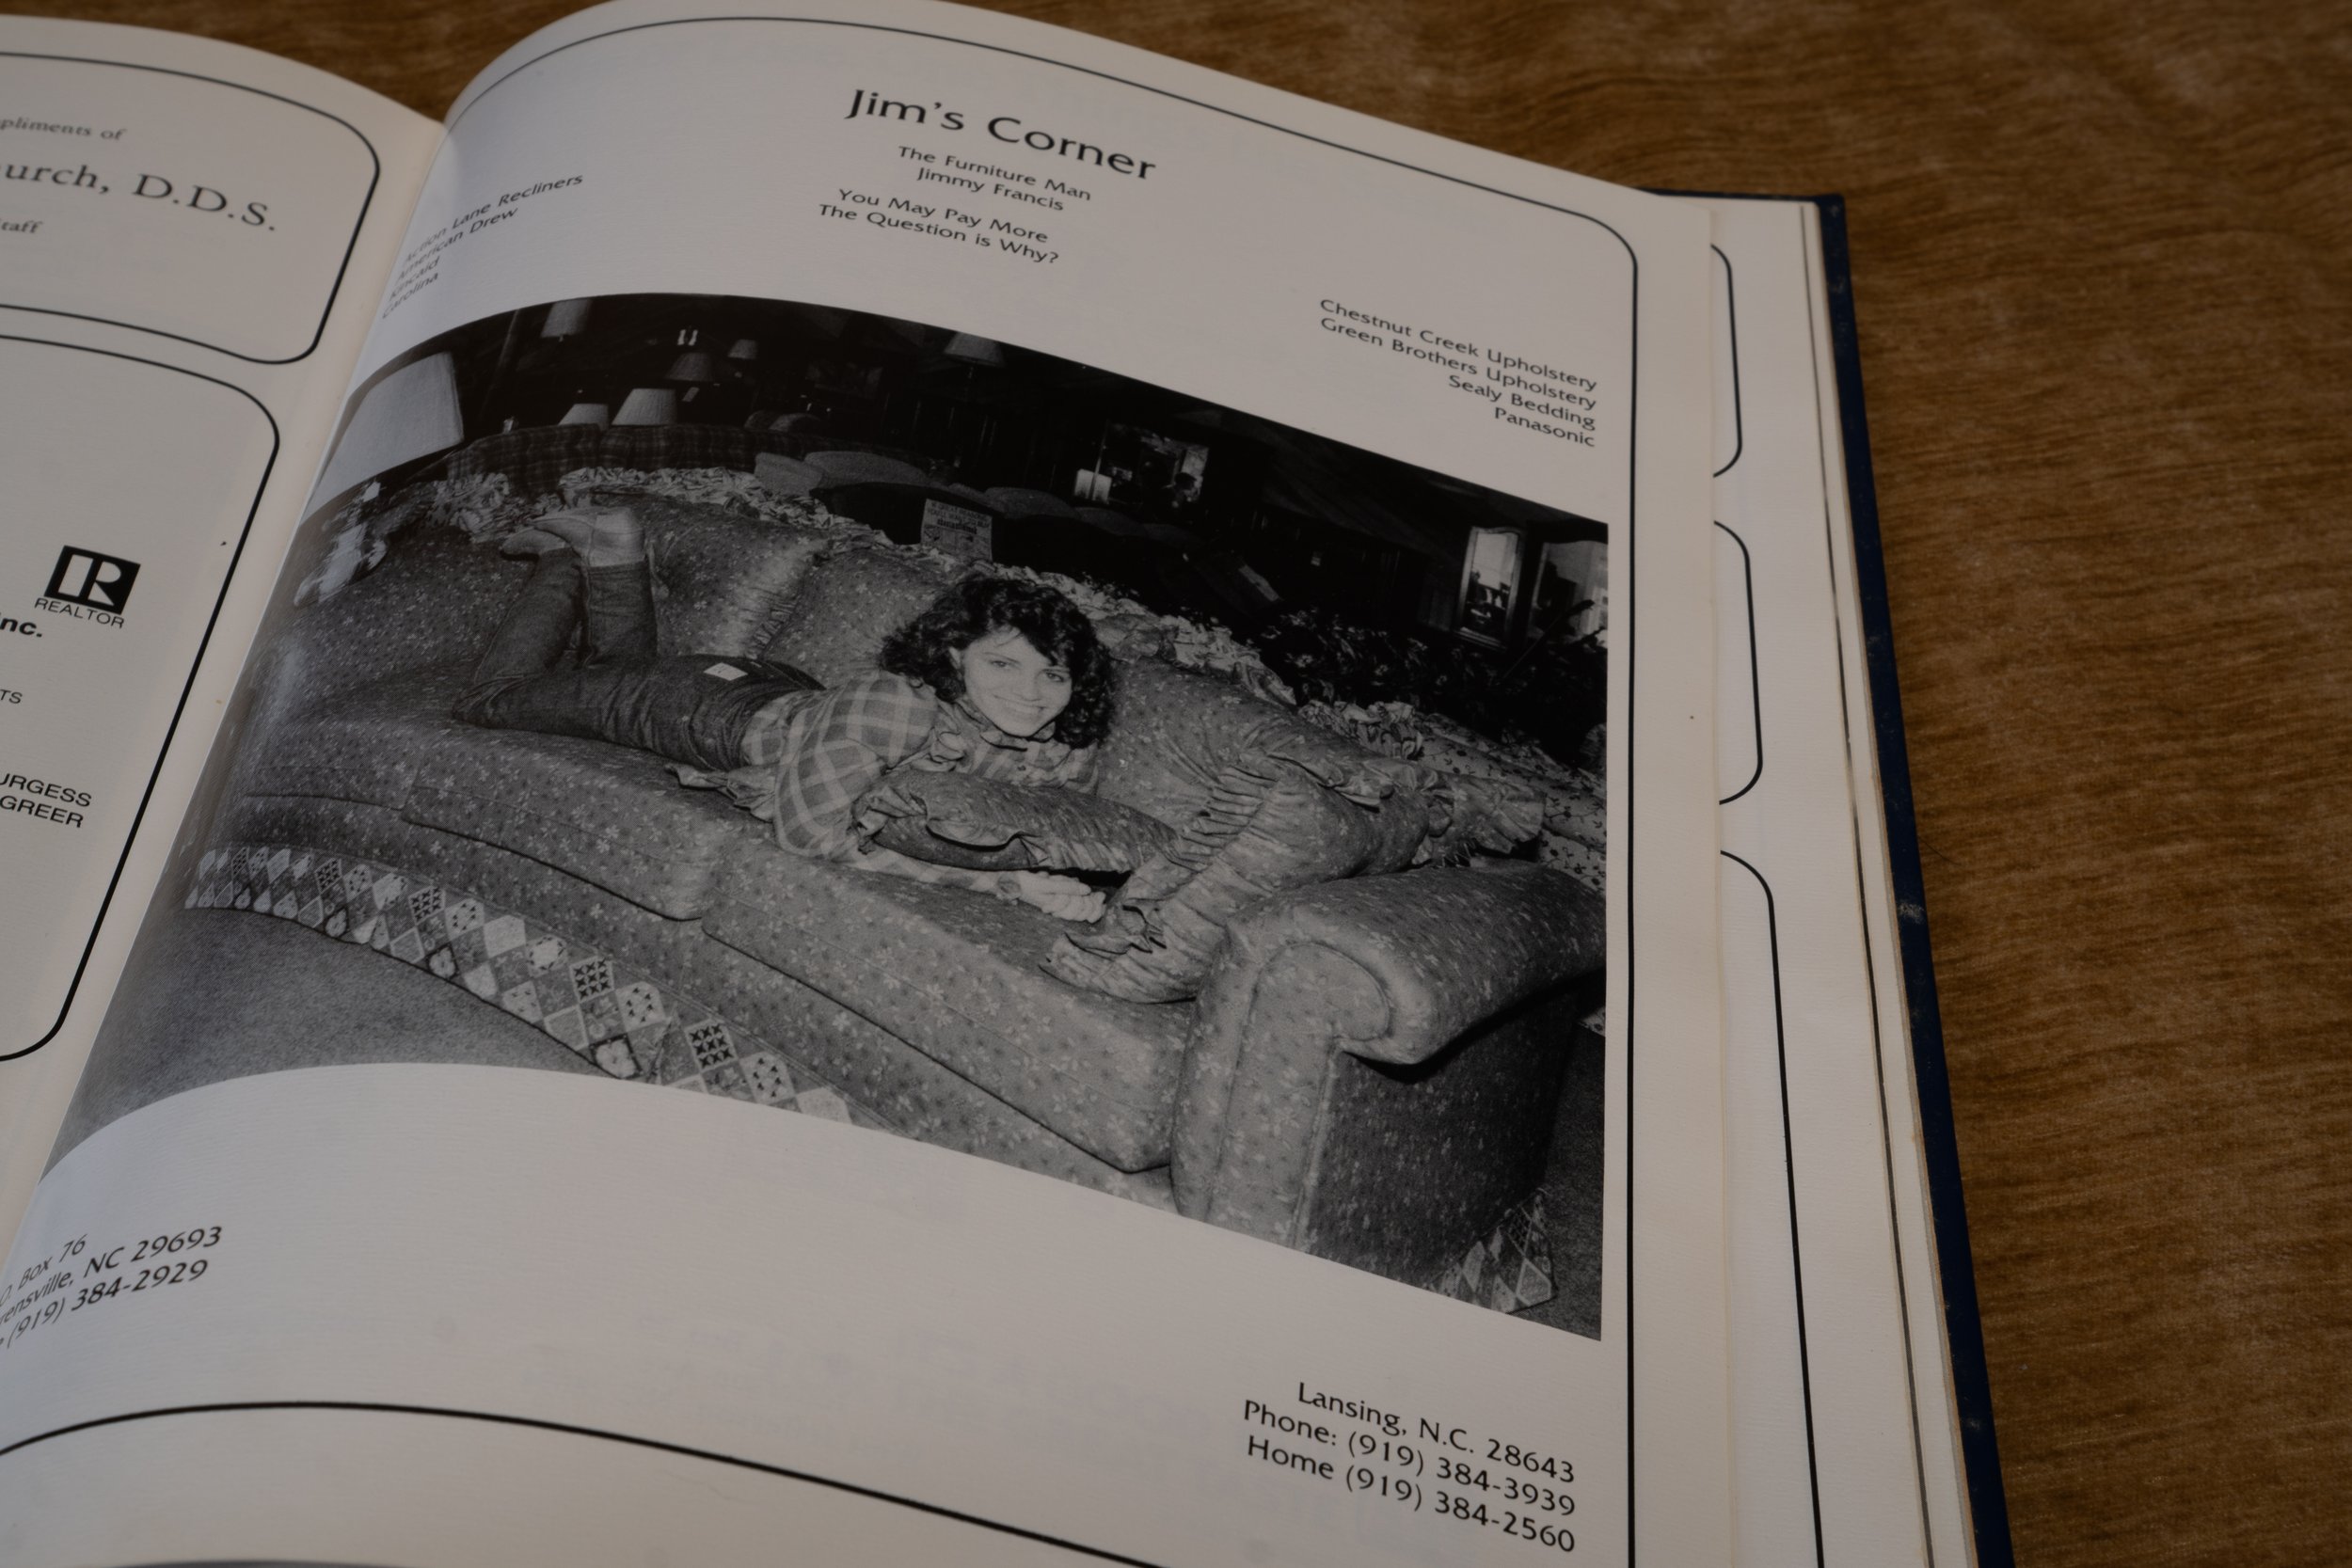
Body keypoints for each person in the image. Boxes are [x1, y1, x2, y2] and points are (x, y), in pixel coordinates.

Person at [451, 495, 1116, 919]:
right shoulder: (896, 705)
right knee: (487, 701)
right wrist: (1002, 887)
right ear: (952, 656)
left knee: (608, 678)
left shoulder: (1060, 746)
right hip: (703, 706)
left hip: (784, 689)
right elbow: (810, 836)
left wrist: (1047, 878)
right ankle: (566, 566)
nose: (1031, 694)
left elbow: (1053, 838)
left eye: (1052, 674)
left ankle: (613, 554)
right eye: (1003, 663)